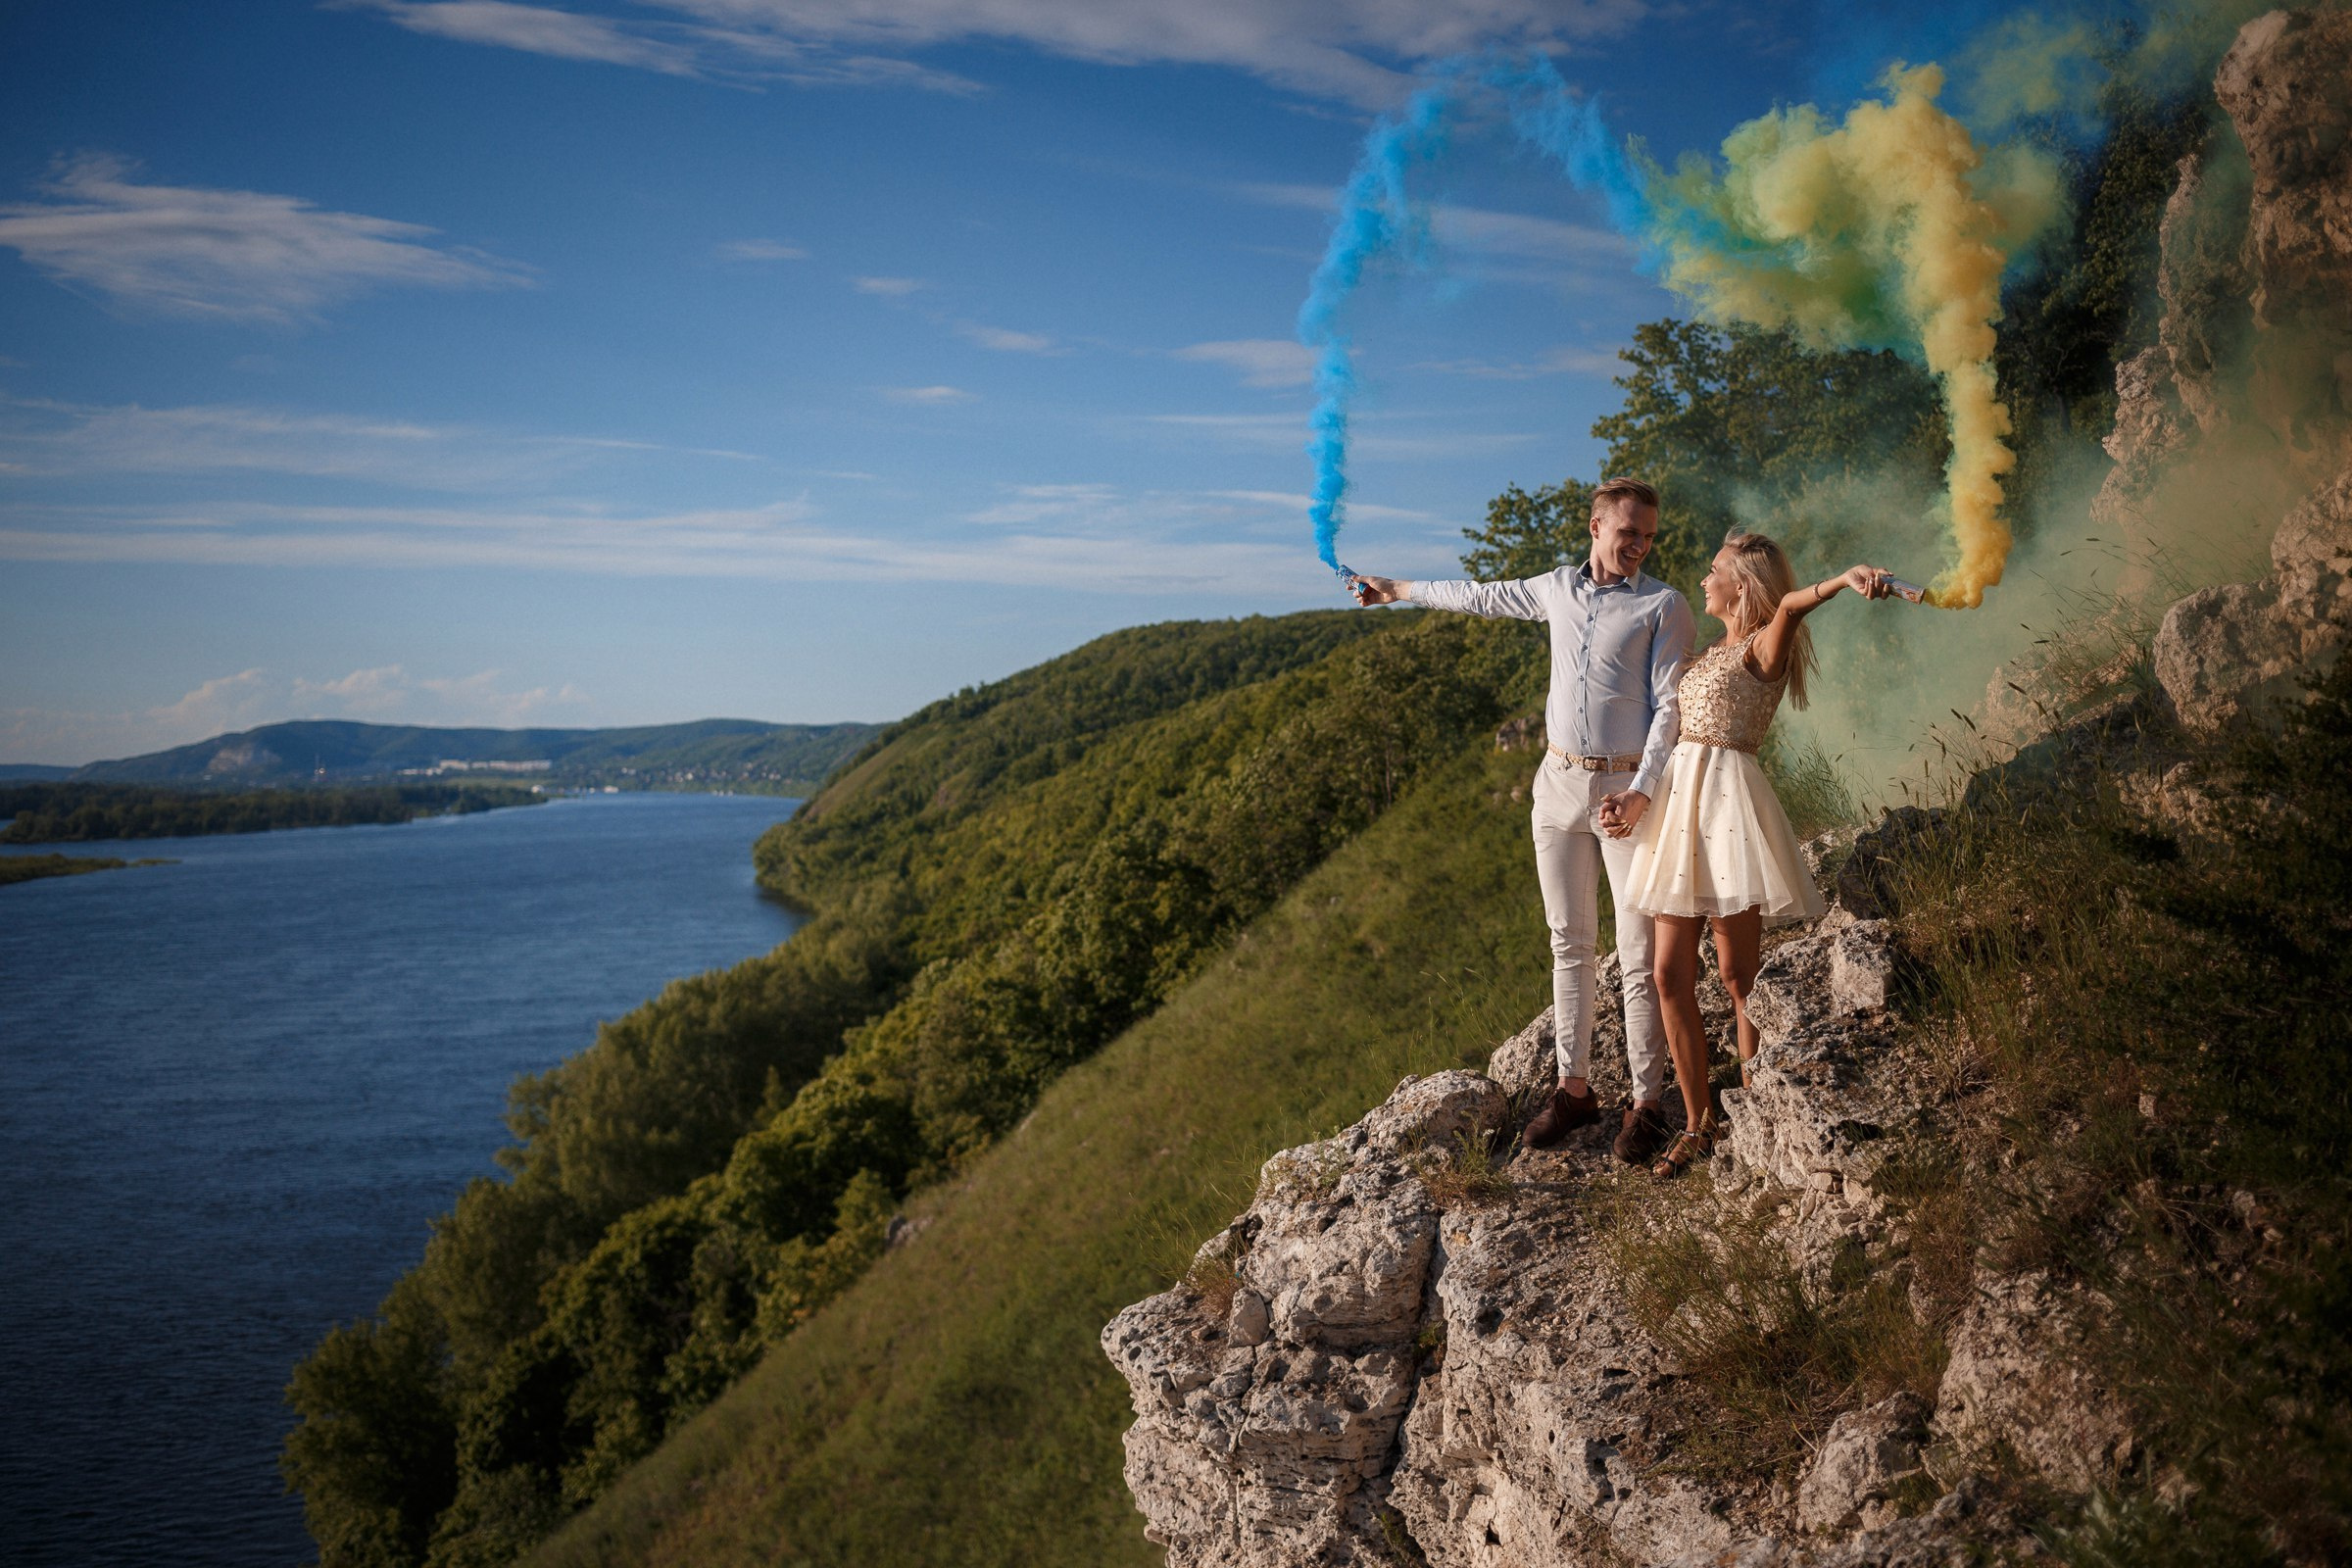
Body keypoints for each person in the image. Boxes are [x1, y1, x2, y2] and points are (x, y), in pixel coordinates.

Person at [1348, 477, 1696, 1164]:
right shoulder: (1557, 587)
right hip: (1557, 784)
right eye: (1628, 532)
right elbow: (1480, 594)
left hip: (1626, 788)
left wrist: (1644, 793)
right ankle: (1574, 1091)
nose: (1640, 546)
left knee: (1633, 953)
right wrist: (1397, 590)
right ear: (1595, 527)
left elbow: (1671, 710)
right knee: (1568, 939)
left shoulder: (1665, 604)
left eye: (1649, 536)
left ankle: (1649, 1101)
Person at [1620, 531, 1894, 1179]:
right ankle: (1698, 1122)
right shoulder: (1706, 651)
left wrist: (1842, 577)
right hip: (1679, 805)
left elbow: (1794, 606)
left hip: (1728, 808)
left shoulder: (1763, 646)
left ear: (1740, 586)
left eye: (1713, 571)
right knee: (1666, 976)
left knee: (1740, 978)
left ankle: (1753, 1103)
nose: (1704, 579)